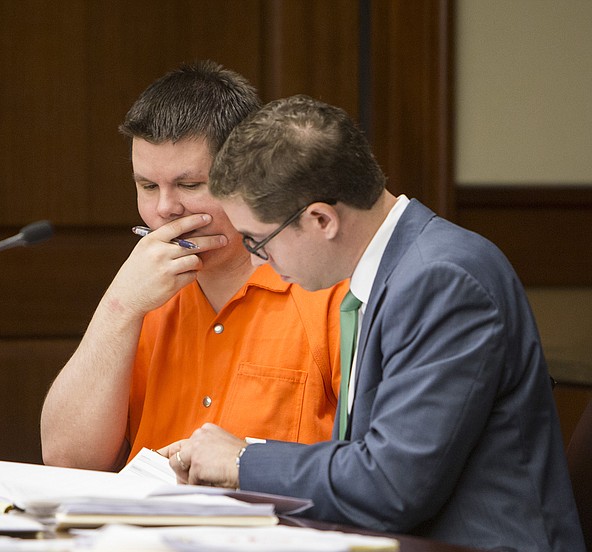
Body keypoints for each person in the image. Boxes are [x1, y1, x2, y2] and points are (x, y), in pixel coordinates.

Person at [161, 95, 584, 551]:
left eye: (258, 241)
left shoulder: (441, 278)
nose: (257, 258)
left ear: (320, 219)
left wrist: (244, 460)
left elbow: (392, 485)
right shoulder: (399, 269)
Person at [40, 63, 348, 472]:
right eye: (148, 187)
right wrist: (120, 305)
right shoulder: (144, 293)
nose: (165, 209)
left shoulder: (324, 289)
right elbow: (67, 460)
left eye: (189, 185)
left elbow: (364, 472)